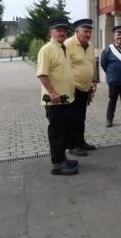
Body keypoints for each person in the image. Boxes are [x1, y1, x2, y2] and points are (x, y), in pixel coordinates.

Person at [37, 17, 78, 175]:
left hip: (66, 99)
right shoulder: (46, 49)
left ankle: (62, 158)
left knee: (64, 131)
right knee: (56, 133)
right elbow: (42, 74)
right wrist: (53, 92)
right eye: (58, 30)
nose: (62, 33)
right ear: (51, 32)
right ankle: (57, 164)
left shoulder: (63, 48)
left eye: (64, 30)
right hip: (55, 100)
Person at [64, 18, 97, 157]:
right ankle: (72, 146)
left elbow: (91, 65)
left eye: (89, 32)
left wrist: (93, 82)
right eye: (85, 31)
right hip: (73, 88)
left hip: (85, 88)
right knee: (72, 118)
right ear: (77, 31)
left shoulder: (89, 45)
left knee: (81, 117)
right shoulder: (68, 44)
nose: (88, 34)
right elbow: (64, 67)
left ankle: (80, 142)